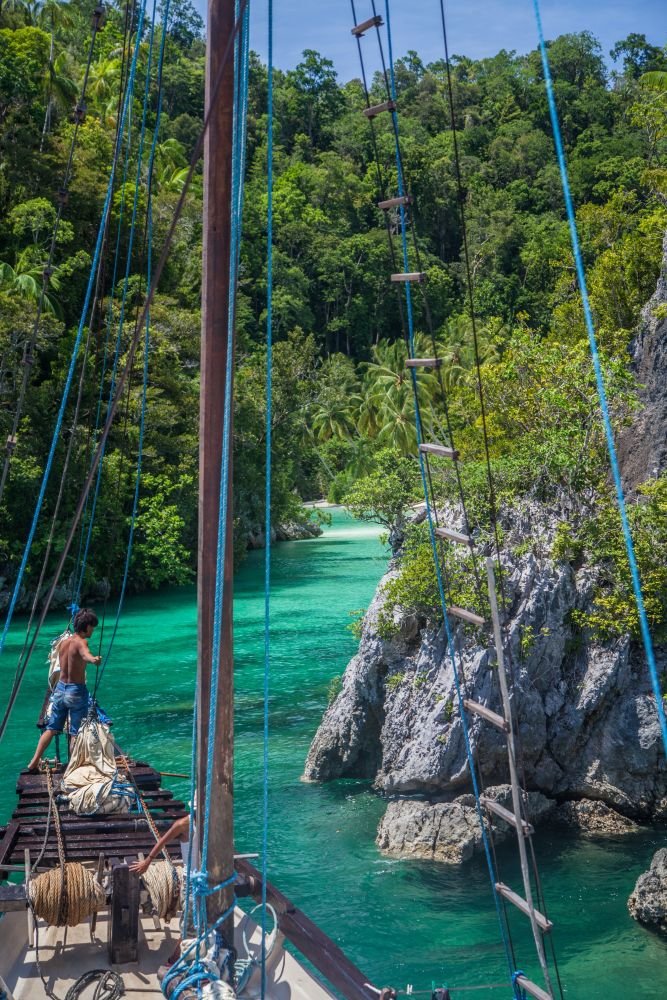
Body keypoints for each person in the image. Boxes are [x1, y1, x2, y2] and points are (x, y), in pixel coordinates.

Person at [26, 607, 102, 773]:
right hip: (76, 691)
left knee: (52, 728)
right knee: (76, 732)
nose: (93, 630)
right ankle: (74, 768)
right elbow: (85, 654)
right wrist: (94, 660)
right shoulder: (82, 642)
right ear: (87, 626)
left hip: (60, 690)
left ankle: (33, 762)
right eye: (93, 627)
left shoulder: (63, 643)